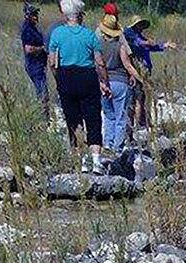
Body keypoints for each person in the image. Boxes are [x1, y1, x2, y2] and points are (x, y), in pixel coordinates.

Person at [48, 0, 111, 174]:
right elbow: (99, 62)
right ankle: (96, 161)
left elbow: (52, 62)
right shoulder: (90, 35)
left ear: (65, 15)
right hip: (87, 77)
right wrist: (105, 82)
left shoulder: (57, 34)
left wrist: (58, 79)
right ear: (80, 15)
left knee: (73, 119)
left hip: (66, 76)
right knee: (93, 118)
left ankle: (81, 160)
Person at [123, 16, 176, 130]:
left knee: (142, 97)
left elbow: (151, 47)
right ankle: (138, 125)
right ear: (135, 25)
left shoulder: (138, 35)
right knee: (137, 98)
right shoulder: (130, 35)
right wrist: (148, 42)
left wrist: (164, 45)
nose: (141, 27)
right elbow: (140, 44)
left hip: (144, 71)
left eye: (142, 24)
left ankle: (142, 121)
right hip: (137, 71)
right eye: (140, 24)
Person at [96, 12, 140, 152]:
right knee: (120, 115)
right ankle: (118, 146)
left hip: (103, 82)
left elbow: (97, 64)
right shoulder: (120, 44)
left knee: (109, 115)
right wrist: (140, 78)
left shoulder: (97, 45)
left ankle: (108, 142)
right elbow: (127, 65)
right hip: (120, 81)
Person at [20, 4, 49, 118]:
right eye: (33, 14)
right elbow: (28, 49)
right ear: (27, 15)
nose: (36, 17)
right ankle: (43, 120)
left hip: (38, 65)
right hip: (34, 66)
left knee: (42, 92)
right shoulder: (27, 29)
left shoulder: (33, 28)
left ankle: (44, 118)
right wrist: (43, 48)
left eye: (36, 14)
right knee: (42, 94)